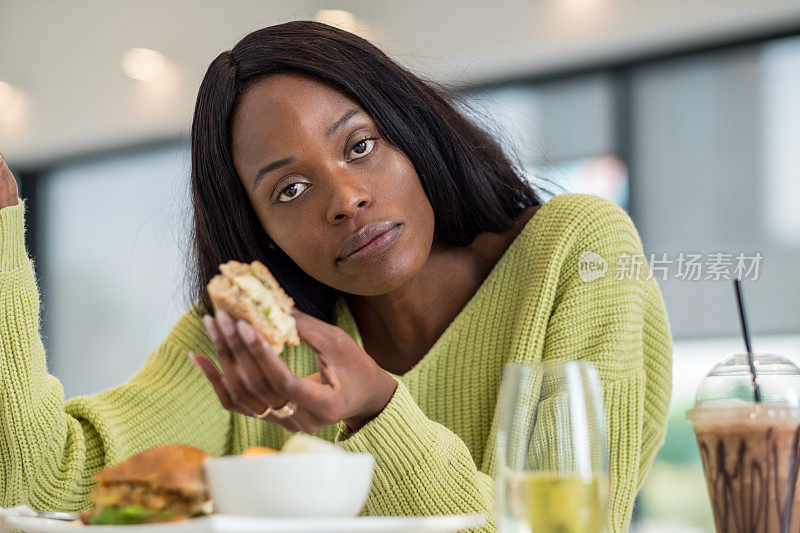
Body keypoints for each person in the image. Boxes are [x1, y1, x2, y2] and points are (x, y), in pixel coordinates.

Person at [0, 20, 672, 532]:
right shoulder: (255, 343)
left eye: (360, 144)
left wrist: (376, 406)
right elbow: (40, 485)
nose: (345, 198)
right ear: (263, 230)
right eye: (289, 190)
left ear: (411, 131)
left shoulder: (575, 252)